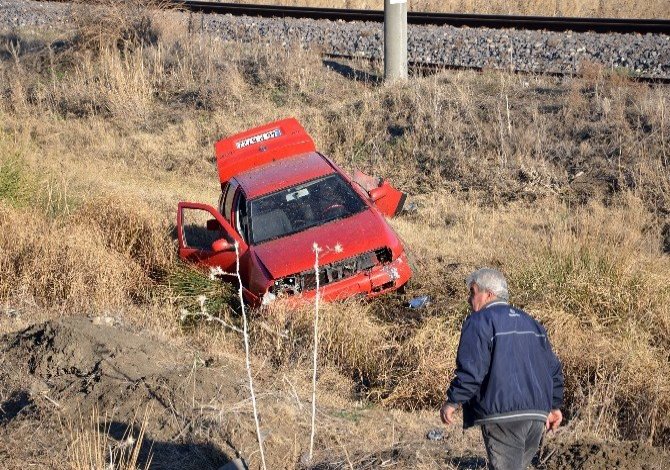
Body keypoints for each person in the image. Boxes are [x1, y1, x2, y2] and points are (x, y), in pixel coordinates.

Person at [440, 268, 564, 470]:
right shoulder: (533, 325)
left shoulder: (479, 321)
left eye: (472, 292)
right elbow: (553, 370)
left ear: (488, 294)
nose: (469, 300)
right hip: (536, 416)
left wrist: (453, 401)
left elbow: (472, 369)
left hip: (502, 416)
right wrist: (554, 406)